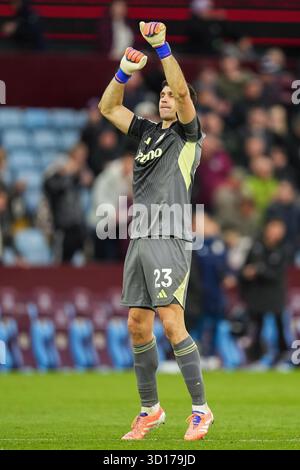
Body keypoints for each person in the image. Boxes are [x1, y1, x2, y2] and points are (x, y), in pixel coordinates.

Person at [98, 21, 213, 441]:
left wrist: (162, 48)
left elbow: (182, 92)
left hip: (170, 237)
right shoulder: (146, 131)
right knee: (136, 325)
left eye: (170, 95)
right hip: (141, 237)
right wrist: (123, 73)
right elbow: (108, 108)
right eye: (161, 94)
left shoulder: (188, 134)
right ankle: (151, 409)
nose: (166, 97)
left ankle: (201, 410)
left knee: (170, 322)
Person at [240, 218, 289, 366]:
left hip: (274, 296)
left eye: (279, 230)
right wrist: (246, 273)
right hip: (256, 296)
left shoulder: (283, 249)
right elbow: (244, 268)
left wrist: (259, 270)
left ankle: (282, 357)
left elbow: (277, 274)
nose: (275, 233)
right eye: (273, 228)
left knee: (279, 327)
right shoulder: (256, 246)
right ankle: (256, 359)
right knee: (256, 328)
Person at [43, 142, 92, 263]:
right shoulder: (58, 171)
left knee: (86, 256)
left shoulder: (78, 174)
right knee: (61, 260)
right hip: (62, 225)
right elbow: (50, 186)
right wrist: (67, 173)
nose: (81, 159)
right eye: (79, 156)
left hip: (77, 223)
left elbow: (87, 183)